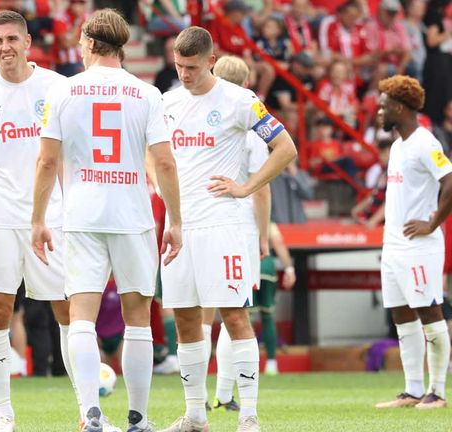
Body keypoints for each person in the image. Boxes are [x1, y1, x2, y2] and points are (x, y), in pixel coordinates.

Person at [32, 9, 182, 432]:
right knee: (138, 318)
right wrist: (175, 220)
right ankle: (138, 419)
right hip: (132, 215)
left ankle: (91, 415)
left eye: (82, 42)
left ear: (92, 44)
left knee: (81, 315)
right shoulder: (147, 93)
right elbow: (165, 164)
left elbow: (46, 161)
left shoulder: (64, 91)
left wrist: (38, 219)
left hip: (81, 214)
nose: (79, 49)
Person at [158, 26, 297, 432]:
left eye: (192, 68)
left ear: (211, 61)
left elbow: (286, 148)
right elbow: (154, 156)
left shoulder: (239, 100)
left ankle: (249, 416)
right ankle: (195, 415)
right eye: (179, 66)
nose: (185, 74)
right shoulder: (166, 103)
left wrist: (246, 187)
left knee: (235, 315)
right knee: (185, 318)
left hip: (224, 225)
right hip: (180, 227)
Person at [0, 10, 74, 432]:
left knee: (67, 309)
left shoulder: (57, 87)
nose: (5, 47)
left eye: (11, 39)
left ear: (27, 42)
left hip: (53, 217)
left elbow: (70, 155)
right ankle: (3, 415)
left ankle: (87, 413)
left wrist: (74, 211)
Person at [374, 75, 451, 409]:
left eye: (383, 105)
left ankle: (438, 391)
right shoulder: (397, 145)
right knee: (402, 316)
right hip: (393, 247)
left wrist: (432, 222)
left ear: (399, 107)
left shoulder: (426, 142)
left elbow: (449, 182)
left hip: (419, 246)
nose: (378, 111)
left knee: (429, 312)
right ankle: (413, 390)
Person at [202, 55, 271, 413]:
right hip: (237, 222)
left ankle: (212, 395)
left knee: (201, 309)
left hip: (200, 218)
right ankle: (229, 396)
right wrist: (263, 236)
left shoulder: (197, 110)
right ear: (246, 83)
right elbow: (261, 185)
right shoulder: (250, 115)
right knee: (237, 307)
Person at [254, 223, 296, 376]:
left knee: (245, 318)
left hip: (248, 266)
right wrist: (289, 269)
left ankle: (247, 365)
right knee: (268, 315)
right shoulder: (267, 221)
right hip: (267, 267)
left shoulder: (238, 214)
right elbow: (278, 243)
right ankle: (272, 363)